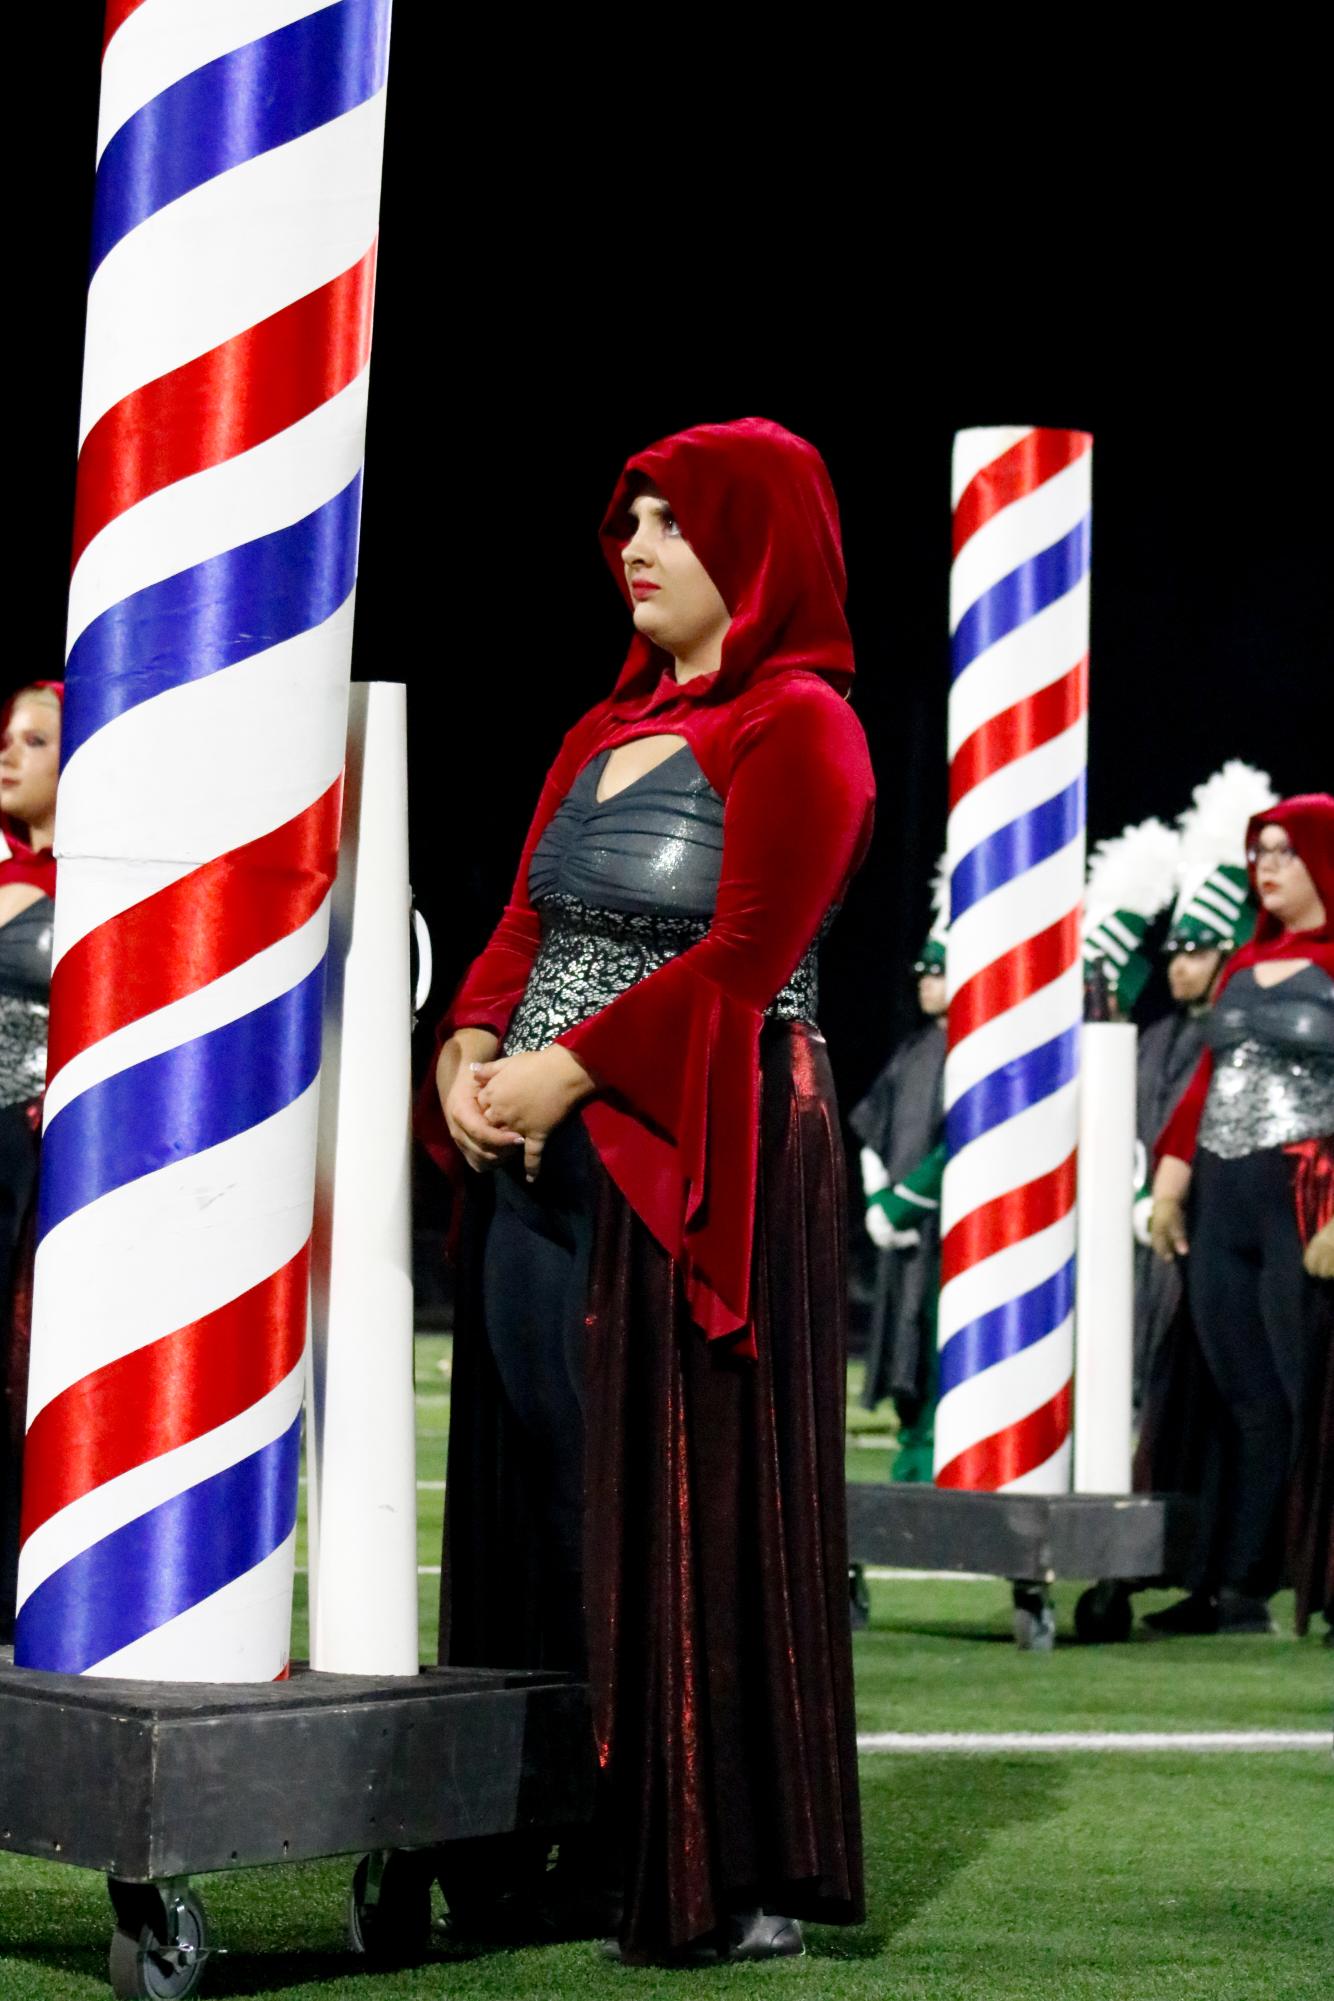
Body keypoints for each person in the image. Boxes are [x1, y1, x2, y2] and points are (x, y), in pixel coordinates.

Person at [418, 420, 873, 1964]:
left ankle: (710, 1864)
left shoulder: (803, 725)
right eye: (630, 521)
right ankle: (560, 1840)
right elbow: (516, 919)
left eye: (673, 524)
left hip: (693, 1151)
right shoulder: (592, 730)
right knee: (549, 1498)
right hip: (544, 1163)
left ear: (752, 554)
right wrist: (473, 1043)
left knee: (681, 1503)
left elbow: (746, 959)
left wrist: (569, 1072)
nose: (637, 548)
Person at [1148, 793, 1334, 1636]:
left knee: (1303, 1397)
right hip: (1220, 1201)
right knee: (1233, 1400)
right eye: (1260, 850)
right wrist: (1169, 1184)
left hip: (1304, 1202)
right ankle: (1225, 1579)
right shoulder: (1238, 967)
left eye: (1286, 851)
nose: (1266, 865)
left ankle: (1297, 1577)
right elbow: (1204, 1085)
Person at [0, 681, 61, 1640]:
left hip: (32, 1149)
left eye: (36, 739)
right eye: (4, 737)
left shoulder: (103, 879)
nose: (8, 753)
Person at [850, 878, 947, 1482]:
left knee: (935, 1334)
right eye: (921, 970)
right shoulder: (913, 1048)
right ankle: (912, 1444)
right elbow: (873, 1122)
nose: (924, 980)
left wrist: (904, 1205)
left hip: (942, 1228)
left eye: (938, 970)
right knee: (902, 1335)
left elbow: (964, 1135)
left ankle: (935, 1450)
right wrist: (878, 1203)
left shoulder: (970, 1049)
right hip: (901, 1230)